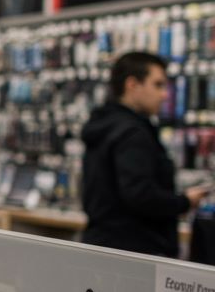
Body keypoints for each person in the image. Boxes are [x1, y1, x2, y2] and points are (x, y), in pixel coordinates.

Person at [80, 52, 210, 257]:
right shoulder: (132, 133)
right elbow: (140, 194)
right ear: (132, 85)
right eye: (157, 85)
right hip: (136, 254)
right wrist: (184, 202)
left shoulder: (105, 124)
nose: (165, 94)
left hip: (104, 246)